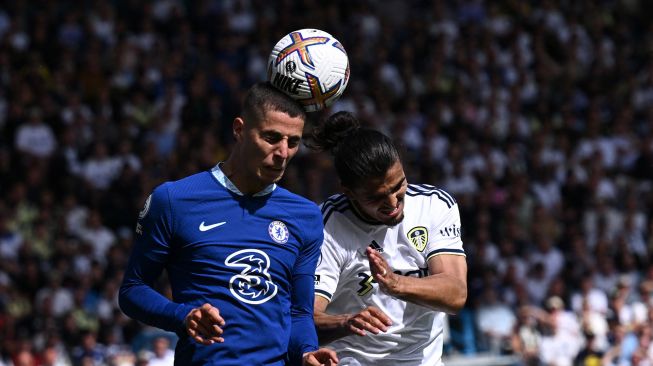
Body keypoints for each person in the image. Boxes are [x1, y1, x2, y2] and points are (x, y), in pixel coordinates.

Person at [119, 82, 338, 366]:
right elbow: (132, 290)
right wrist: (183, 316)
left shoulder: (305, 216)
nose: (283, 152)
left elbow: (298, 313)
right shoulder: (174, 200)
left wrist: (307, 352)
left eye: (293, 142)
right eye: (271, 138)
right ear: (239, 130)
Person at [306, 111, 468, 366]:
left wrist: (396, 284)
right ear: (348, 192)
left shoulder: (435, 206)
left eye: (398, 186)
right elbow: (303, 317)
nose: (393, 203)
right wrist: (345, 322)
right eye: (377, 197)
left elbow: (456, 294)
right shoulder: (326, 226)